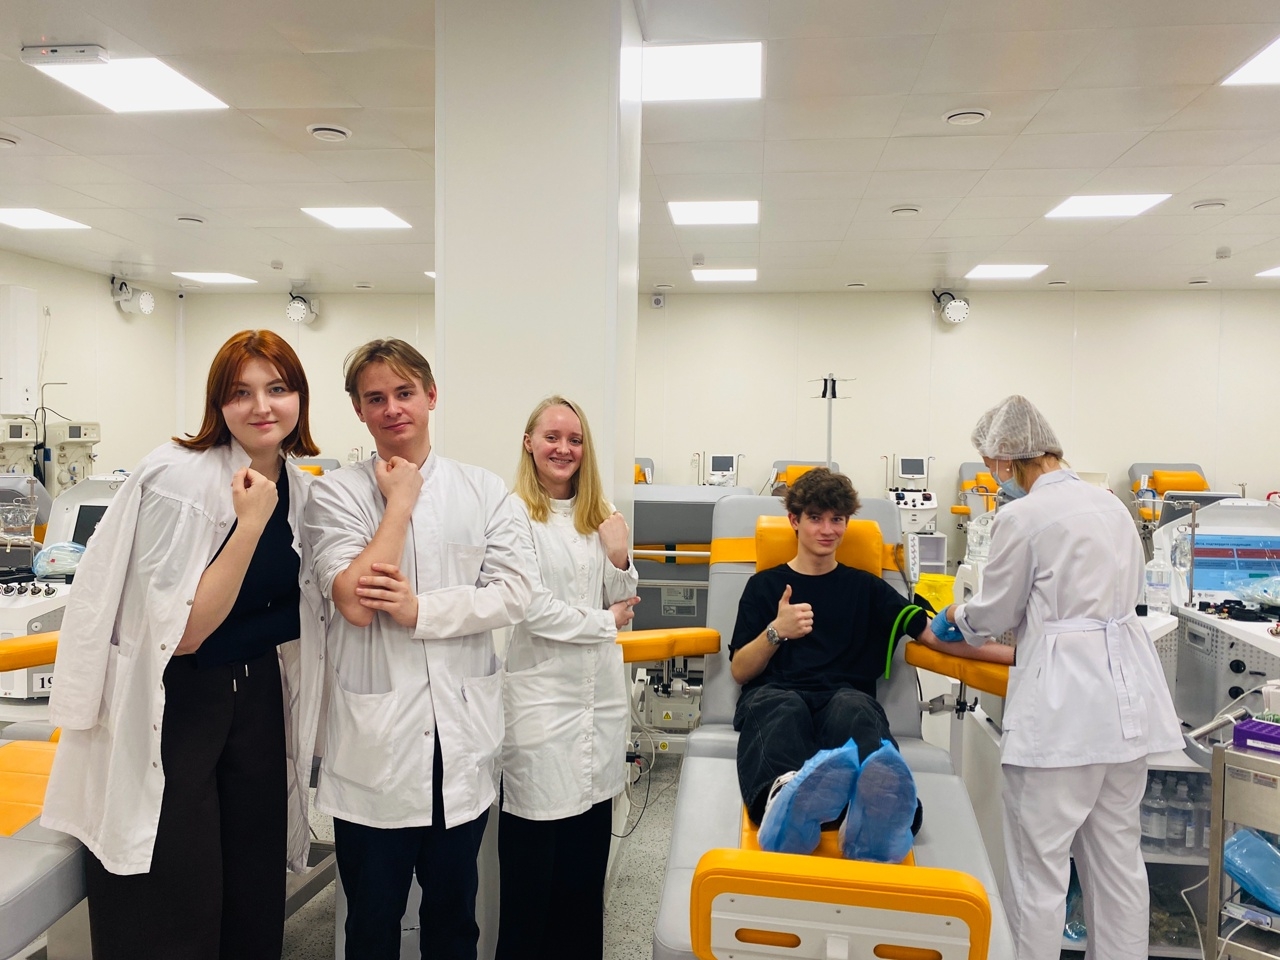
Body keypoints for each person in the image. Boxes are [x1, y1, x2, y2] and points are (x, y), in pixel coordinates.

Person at [41, 330, 326, 960]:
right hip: (178, 705)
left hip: (255, 697)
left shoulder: (298, 488)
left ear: (300, 398)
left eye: (278, 388)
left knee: (251, 888)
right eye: (241, 392)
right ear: (217, 404)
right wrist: (249, 525)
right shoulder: (181, 478)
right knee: (173, 892)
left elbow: (301, 608)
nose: (262, 406)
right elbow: (186, 632)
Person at [303, 338, 533, 960]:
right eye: (375, 398)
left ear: (431, 396)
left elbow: (514, 592)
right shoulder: (336, 494)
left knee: (454, 919)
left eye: (404, 393)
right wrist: (400, 503)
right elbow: (354, 598)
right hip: (375, 749)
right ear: (358, 410)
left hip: (460, 741)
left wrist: (419, 610)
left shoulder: (484, 491)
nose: (392, 409)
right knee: (370, 922)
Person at [932, 395, 1182, 960]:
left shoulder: (1023, 517)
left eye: (991, 465)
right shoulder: (1111, 506)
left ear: (1007, 456)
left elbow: (995, 612)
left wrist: (956, 617)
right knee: (1118, 866)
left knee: (1037, 874)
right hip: (1125, 709)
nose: (993, 477)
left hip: (1062, 714)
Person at [729, 467, 1011, 860]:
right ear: (794, 520)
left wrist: (1024, 654)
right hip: (776, 691)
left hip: (842, 695)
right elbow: (740, 670)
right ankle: (785, 802)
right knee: (781, 708)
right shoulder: (764, 586)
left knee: (856, 709)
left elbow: (936, 637)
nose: (827, 529)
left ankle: (878, 812)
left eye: (837, 519)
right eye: (815, 518)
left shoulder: (868, 588)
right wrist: (777, 631)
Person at [495, 395, 639, 960]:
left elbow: (626, 602)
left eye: (574, 440)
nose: (563, 448)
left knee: (583, 878)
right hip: (541, 710)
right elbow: (531, 609)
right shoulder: (513, 515)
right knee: (531, 881)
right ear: (529, 443)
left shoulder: (602, 513)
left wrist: (620, 557)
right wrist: (603, 621)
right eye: (551, 437)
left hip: (598, 706)